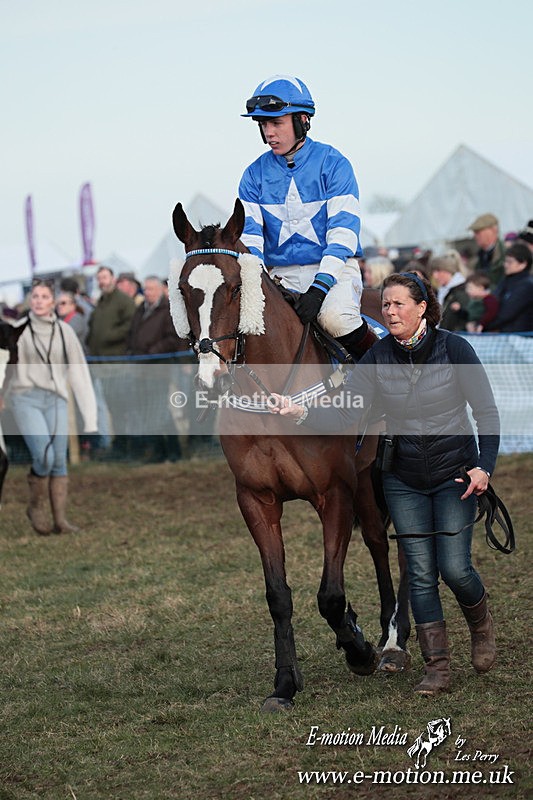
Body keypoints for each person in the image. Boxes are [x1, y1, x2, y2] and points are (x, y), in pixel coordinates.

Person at [271, 271, 500, 696]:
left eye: (397, 304)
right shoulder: (376, 358)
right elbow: (345, 415)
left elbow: (486, 413)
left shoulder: (456, 349)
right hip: (404, 479)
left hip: (457, 476)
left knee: (455, 568)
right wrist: (298, 413)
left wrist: (483, 467)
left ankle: (480, 623)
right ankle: (437, 668)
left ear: (421, 308)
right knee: (419, 572)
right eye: (387, 305)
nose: (389, 311)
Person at [238, 75, 377, 361]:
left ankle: (389, 376)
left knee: (336, 319)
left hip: (333, 271)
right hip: (279, 276)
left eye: (276, 123)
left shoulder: (334, 163)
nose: (269, 133)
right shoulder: (252, 175)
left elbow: (343, 234)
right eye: (263, 124)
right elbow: (251, 240)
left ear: (303, 121)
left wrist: (319, 288)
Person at [7, 279, 97, 534]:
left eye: (44, 296)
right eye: (35, 296)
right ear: (30, 300)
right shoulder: (17, 329)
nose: (39, 301)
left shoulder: (64, 331)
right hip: (25, 398)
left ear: (53, 301)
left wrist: (89, 417)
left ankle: (60, 520)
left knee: (58, 459)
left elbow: (79, 372)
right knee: (43, 456)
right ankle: (35, 506)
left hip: (56, 398)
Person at [126, 276, 183, 462]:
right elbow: (133, 333)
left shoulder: (168, 310)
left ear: (160, 290)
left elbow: (173, 339)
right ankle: (159, 451)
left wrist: (152, 352)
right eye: (146, 289)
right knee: (149, 411)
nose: (147, 292)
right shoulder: (140, 310)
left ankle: (173, 451)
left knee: (160, 411)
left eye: (151, 289)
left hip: (158, 369)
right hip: (140, 368)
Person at [86, 266, 136, 458]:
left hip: (118, 364)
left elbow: (130, 325)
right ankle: (120, 445)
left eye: (104, 277)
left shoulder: (123, 301)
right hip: (103, 365)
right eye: (99, 278)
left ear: (112, 278)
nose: (102, 281)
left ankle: (129, 446)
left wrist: (109, 336)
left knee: (123, 407)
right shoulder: (102, 302)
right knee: (113, 408)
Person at [483, 242, 533, 333]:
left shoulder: (527, 285)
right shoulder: (506, 281)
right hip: (503, 336)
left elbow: (507, 314)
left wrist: (483, 326)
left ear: (523, 264)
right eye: (505, 261)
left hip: (519, 339)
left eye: (510, 262)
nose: (505, 265)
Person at [429, 250, 469, 331]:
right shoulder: (442, 291)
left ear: (448, 270)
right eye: (433, 272)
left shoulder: (462, 291)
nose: (435, 276)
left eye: (438, 271)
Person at [468, 213, 505, 288]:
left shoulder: (506, 255)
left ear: (493, 230)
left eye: (478, 232)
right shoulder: (479, 257)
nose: (475, 236)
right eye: (475, 233)